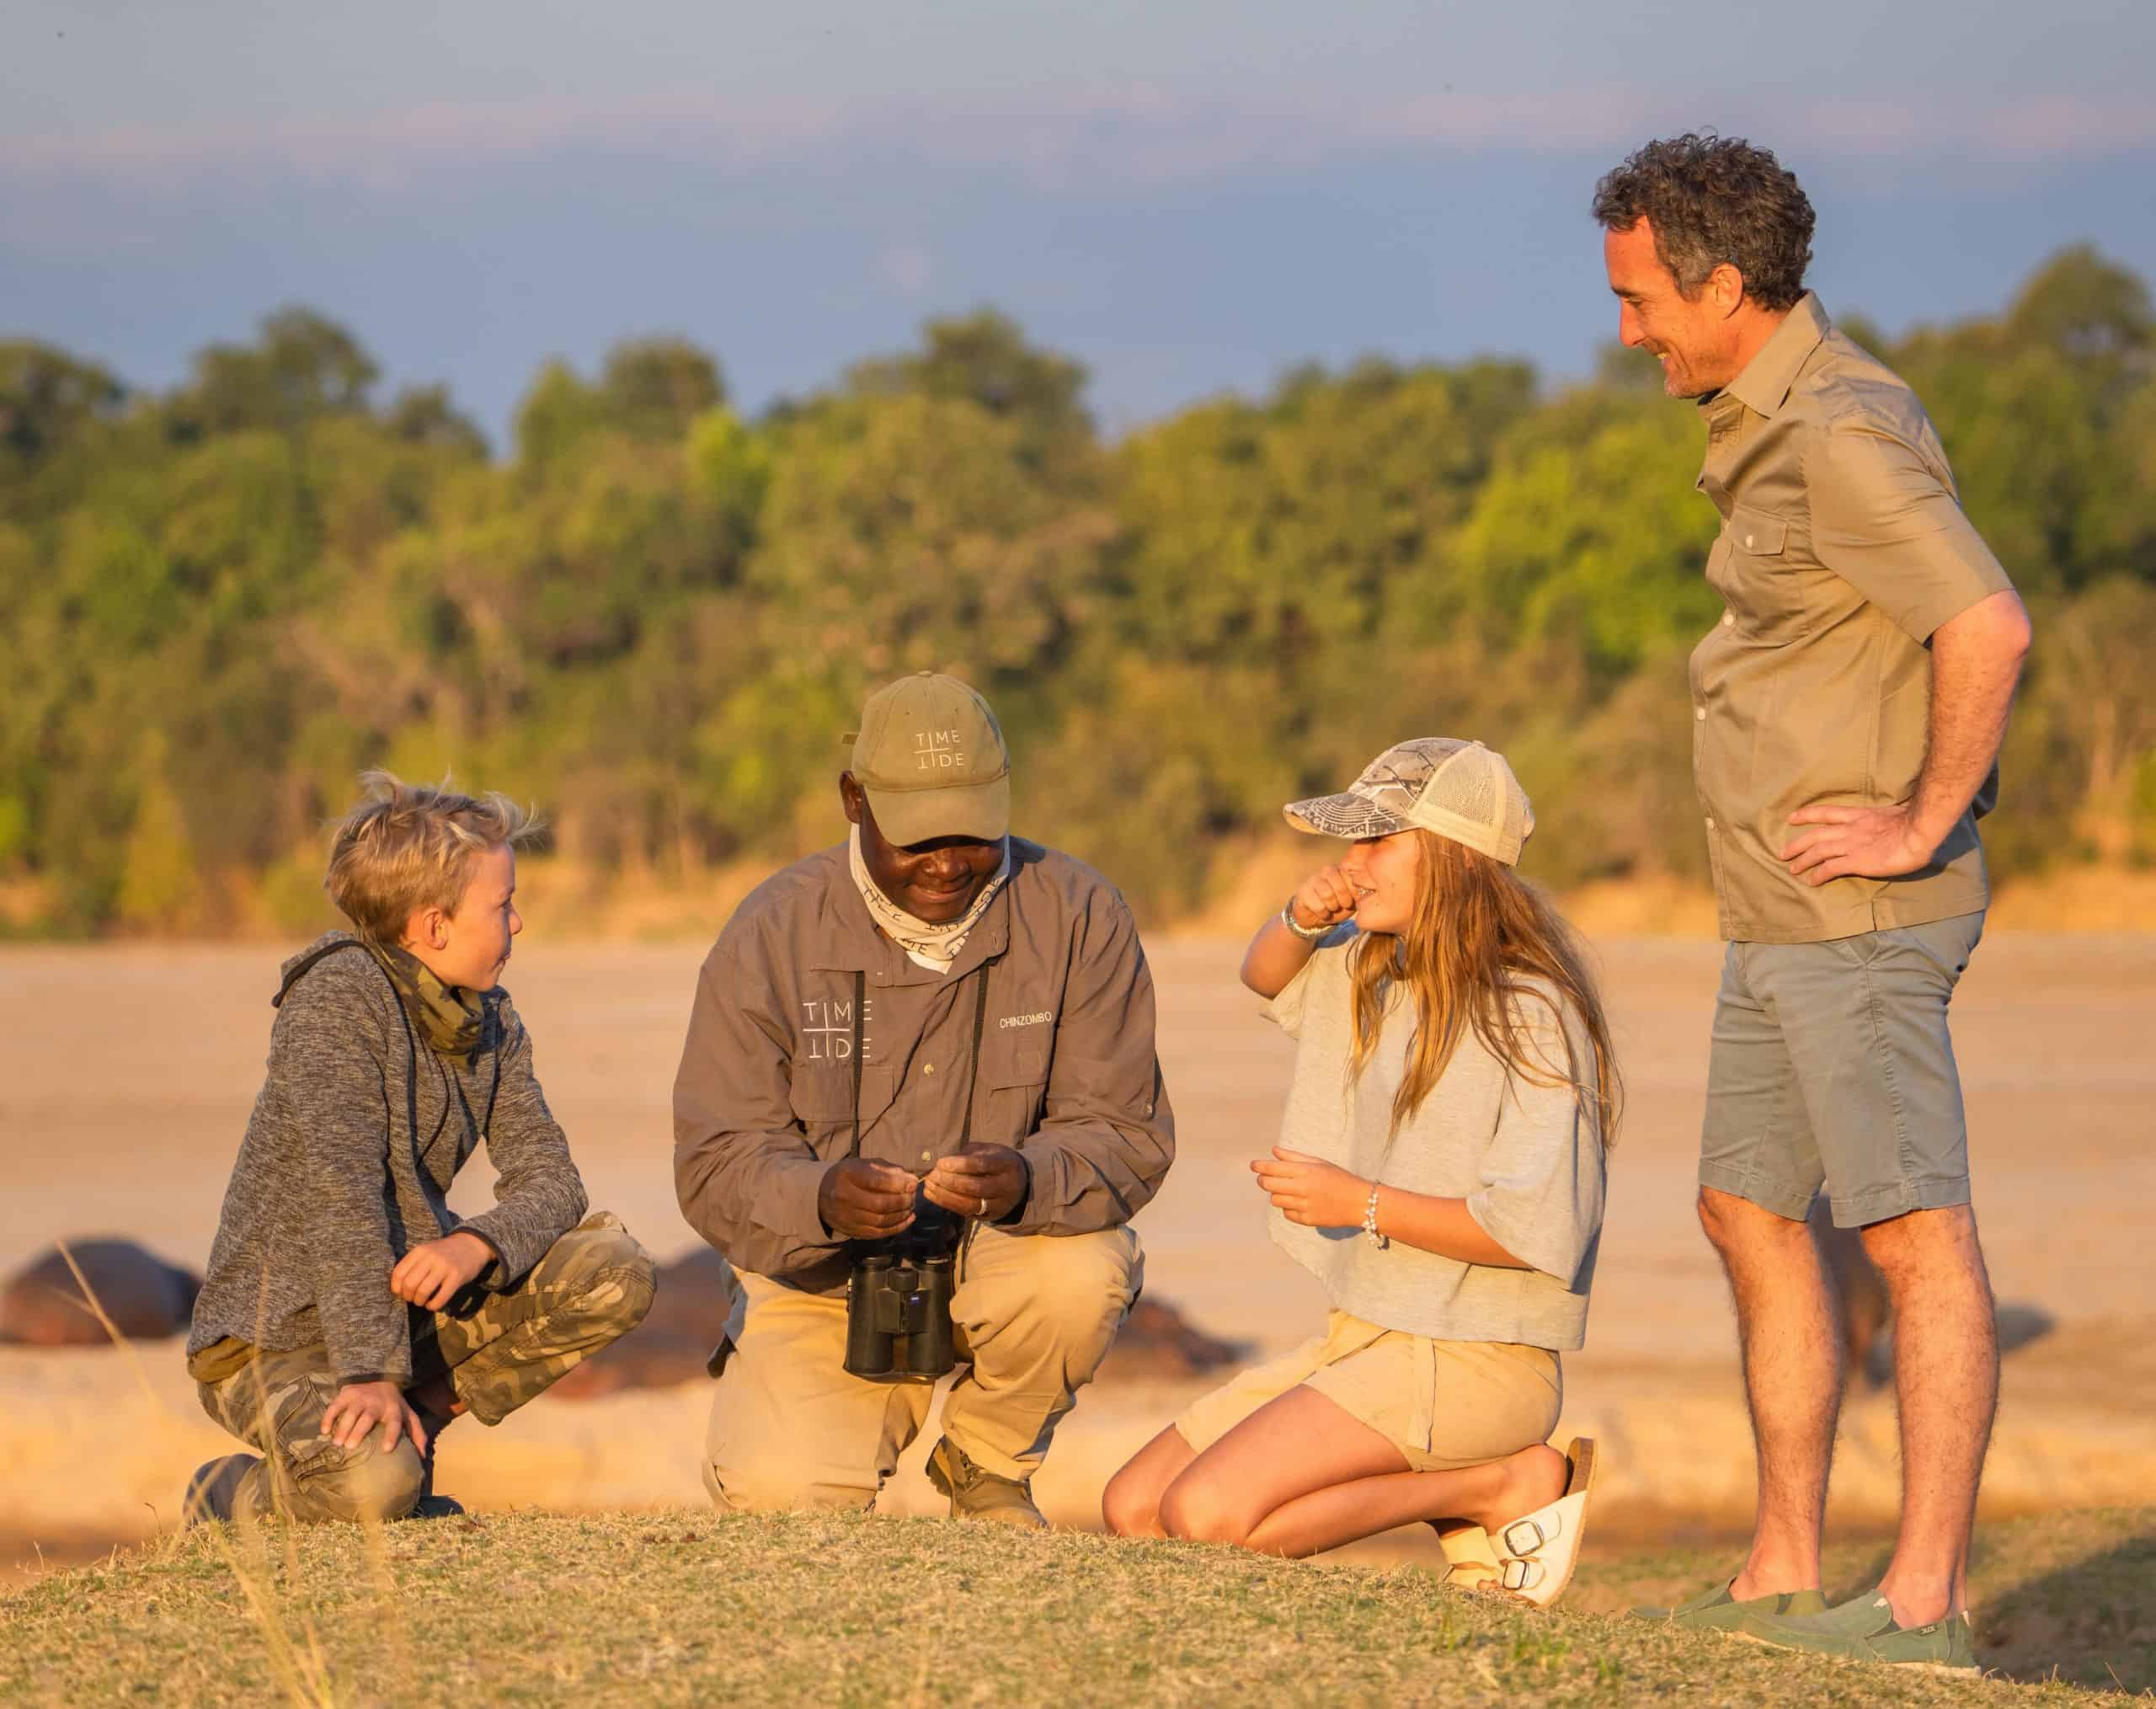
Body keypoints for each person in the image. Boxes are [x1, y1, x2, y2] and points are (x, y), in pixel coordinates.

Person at [1593, 134, 2032, 1673]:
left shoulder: (1842, 430)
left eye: (1645, 298)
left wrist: (1921, 819)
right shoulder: (1760, 420)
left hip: (1857, 921)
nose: (1630, 328)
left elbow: (1985, 618)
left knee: (1913, 1233)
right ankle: (1783, 1569)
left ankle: (1924, 1605)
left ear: (1723, 285)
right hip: (1773, 910)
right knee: (1747, 1206)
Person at [1102, 739, 1614, 1606]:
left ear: (1455, 860)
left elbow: (1531, 1232)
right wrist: (1300, 918)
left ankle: (1497, 1484)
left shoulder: (1532, 1014)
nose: (1350, 861)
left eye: (1379, 842)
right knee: (1134, 1507)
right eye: (1352, 842)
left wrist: (1358, 1202)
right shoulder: (1379, 969)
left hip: (1480, 1363)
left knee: (1206, 1515)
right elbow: (1264, 974)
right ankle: (1476, 1492)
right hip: (1371, 1337)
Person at [673, 670, 1172, 1527]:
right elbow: (714, 1163)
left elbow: (1124, 1134)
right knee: (780, 1500)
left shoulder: (1081, 912)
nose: (947, 862)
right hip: (823, 1279)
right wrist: (821, 1195)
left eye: (974, 835)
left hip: (1007, 1250)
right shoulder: (769, 932)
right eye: (917, 838)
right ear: (852, 800)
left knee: (1083, 1275)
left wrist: (1023, 1177)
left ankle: (985, 1460)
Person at [183, 774, 657, 1525]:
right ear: (434, 926)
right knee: (375, 1491)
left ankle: (418, 1422)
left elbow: (553, 1181)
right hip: (274, 1334)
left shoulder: (492, 1017)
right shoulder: (336, 1000)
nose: (519, 921)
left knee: (614, 1271)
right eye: (502, 905)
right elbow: (344, 1195)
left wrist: (477, 1244)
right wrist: (370, 1372)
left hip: (399, 1309)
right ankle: (228, 1495)